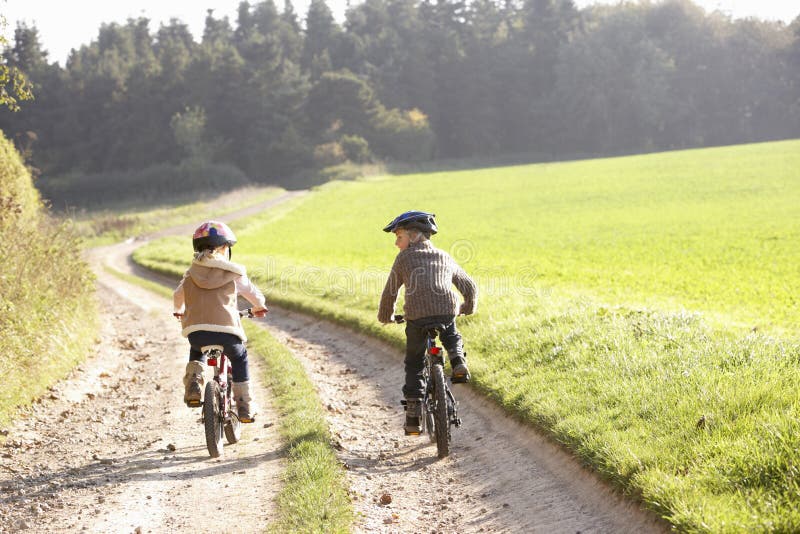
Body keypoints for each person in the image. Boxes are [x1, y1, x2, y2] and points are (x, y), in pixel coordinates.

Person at [377, 211, 477, 435]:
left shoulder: (404, 259)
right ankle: (457, 358)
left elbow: (390, 292)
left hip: (417, 315)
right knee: (450, 332)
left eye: (399, 237)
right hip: (446, 309)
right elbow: (469, 286)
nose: (396, 243)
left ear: (414, 237)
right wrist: (467, 307)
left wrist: (386, 316)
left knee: (414, 362)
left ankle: (413, 415)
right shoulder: (444, 256)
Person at [173, 220, 268, 423]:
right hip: (226, 331)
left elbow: (178, 295)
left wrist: (178, 310)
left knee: (197, 350)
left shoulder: (190, 273)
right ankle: (244, 406)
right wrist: (260, 305)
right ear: (223, 248)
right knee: (240, 356)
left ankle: (194, 384)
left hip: (197, 332)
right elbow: (253, 294)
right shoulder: (232, 272)